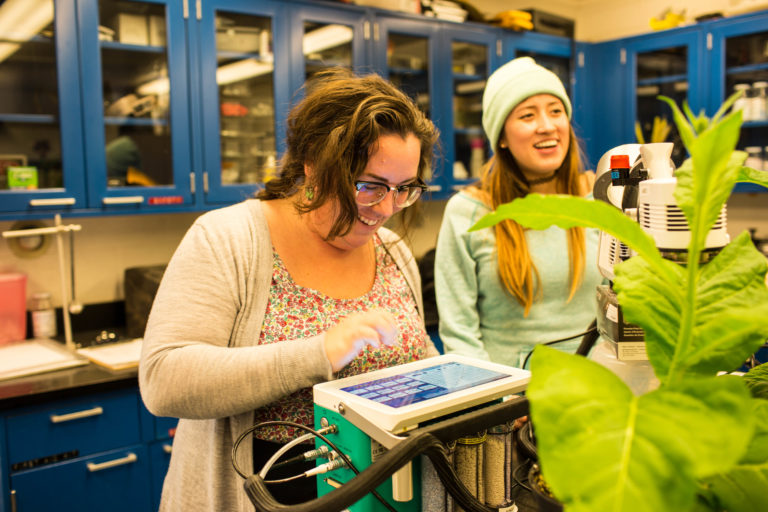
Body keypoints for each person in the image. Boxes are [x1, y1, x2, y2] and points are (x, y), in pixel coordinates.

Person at [139, 68, 440, 511]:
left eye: (404, 189)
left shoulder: (392, 249)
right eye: (368, 186)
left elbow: (418, 358)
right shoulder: (229, 238)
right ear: (313, 165)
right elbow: (164, 381)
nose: (386, 208)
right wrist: (319, 353)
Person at [434, 56, 601, 370]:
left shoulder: (598, 199)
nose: (547, 126)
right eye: (527, 115)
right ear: (502, 137)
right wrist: (496, 396)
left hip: (594, 389)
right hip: (511, 400)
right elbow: (459, 332)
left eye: (556, 111)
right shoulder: (469, 211)